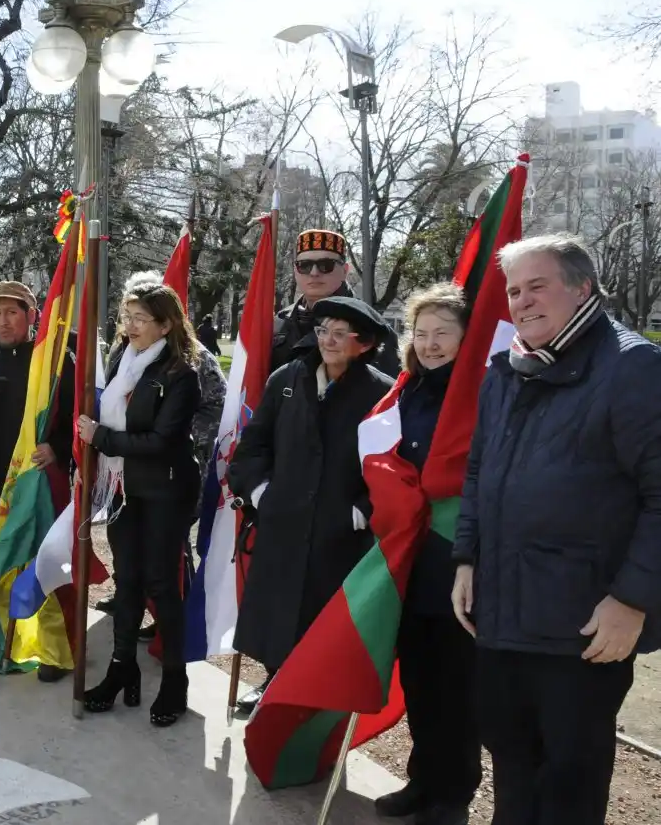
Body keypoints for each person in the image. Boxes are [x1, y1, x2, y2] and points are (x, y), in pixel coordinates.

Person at [452, 234, 661, 825]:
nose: (521, 301)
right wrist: (467, 557)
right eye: (514, 290)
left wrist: (632, 600)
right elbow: (478, 471)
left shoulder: (633, 366)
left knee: (569, 778)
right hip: (500, 612)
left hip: (584, 625)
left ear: (582, 287)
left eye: (537, 286)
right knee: (512, 761)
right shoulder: (506, 368)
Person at [229, 295, 395, 713]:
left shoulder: (381, 393)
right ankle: (273, 685)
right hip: (283, 521)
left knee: (322, 621)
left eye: (342, 334)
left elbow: (390, 466)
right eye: (323, 331)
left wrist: (359, 512)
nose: (329, 341)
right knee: (278, 613)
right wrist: (261, 493)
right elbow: (253, 447)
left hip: (337, 530)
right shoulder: (288, 377)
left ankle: (311, 705)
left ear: (365, 344)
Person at [370, 283, 480, 825]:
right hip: (407, 553)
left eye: (444, 334)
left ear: (467, 338)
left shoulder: (479, 390)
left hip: (454, 553)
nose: (432, 343)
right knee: (417, 674)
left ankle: (452, 796)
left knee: (455, 683)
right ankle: (421, 780)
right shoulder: (407, 388)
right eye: (423, 332)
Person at [75, 280, 201, 727]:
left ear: (165, 325)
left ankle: (174, 678)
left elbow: (164, 441)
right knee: (126, 582)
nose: (129, 326)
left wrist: (101, 437)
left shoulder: (180, 374)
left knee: (161, 584)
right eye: (125, 317)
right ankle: (121, 668)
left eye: (139, 319)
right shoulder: (121, 362)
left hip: (166, 491)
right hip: (125, 490)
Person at [0, 280, 75, 681]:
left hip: (42, 480)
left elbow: (79, 413)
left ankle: (53, 651)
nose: (3, 321)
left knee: (45, 561)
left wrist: (58, 446)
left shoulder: (56, 361)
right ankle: (7, 639)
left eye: (12, 312)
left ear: (31, 315)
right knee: (5, 560)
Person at [272, 229, 399, 376]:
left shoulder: (371, 328)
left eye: (325, 265)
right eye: (304, 265)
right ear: (295, 270)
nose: (314, 273)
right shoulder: (278, 323)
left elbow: (386, 390)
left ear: (345, 271)